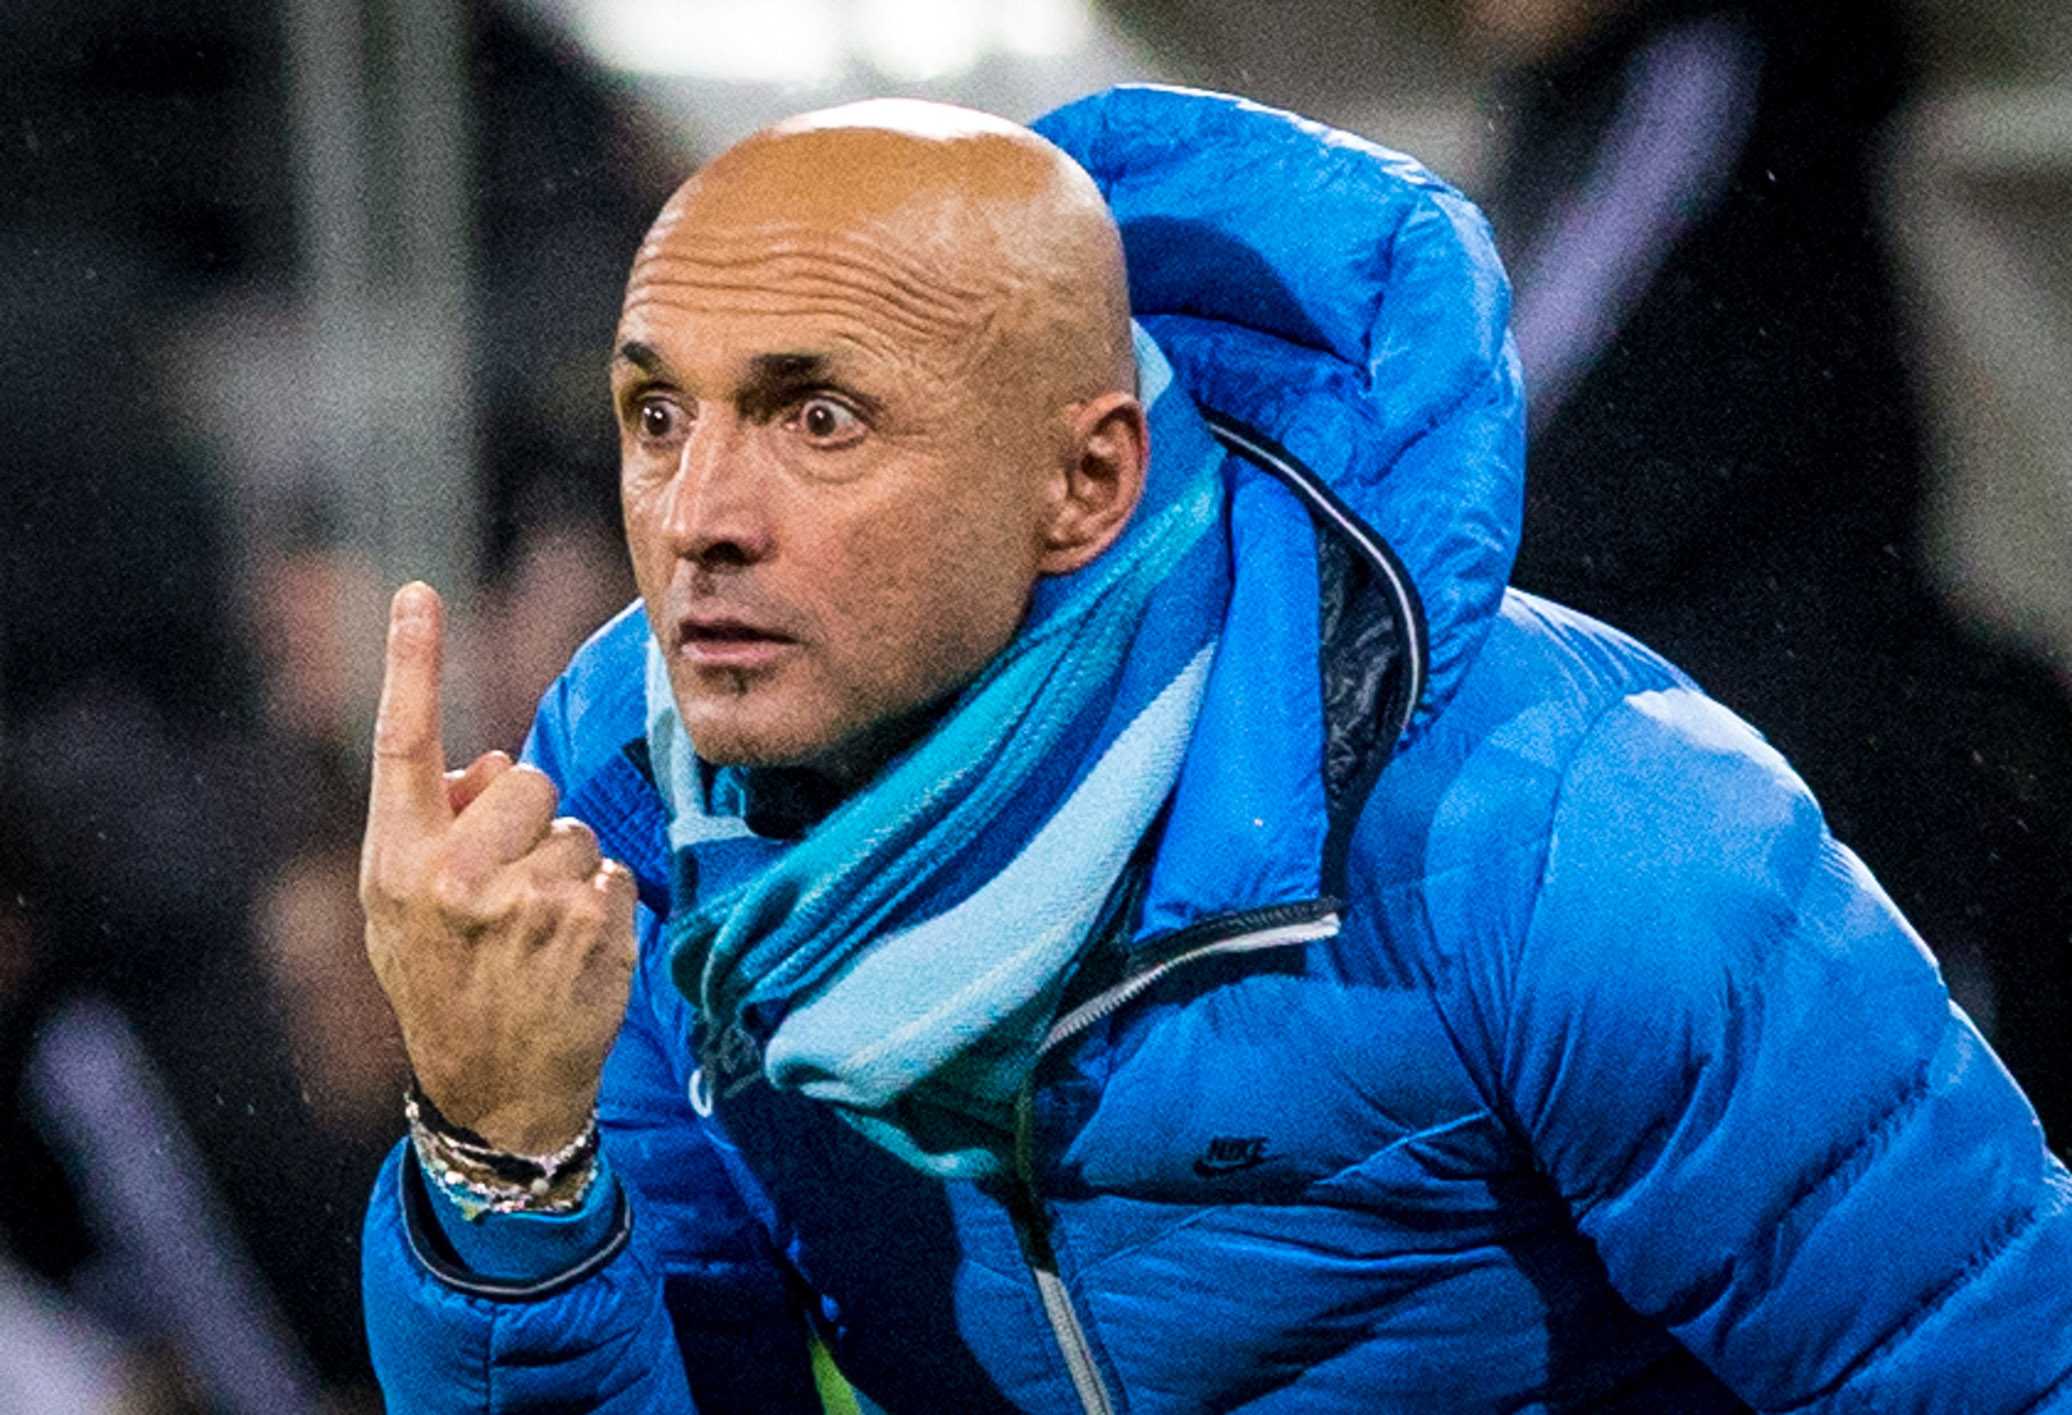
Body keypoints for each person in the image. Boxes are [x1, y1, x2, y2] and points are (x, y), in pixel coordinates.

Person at [357, 87, 2072, 1412]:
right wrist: (501, 1155)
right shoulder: (624, 836)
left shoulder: (1562, 825)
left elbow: (1996, 1371)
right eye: (659, 414)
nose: (698, 518)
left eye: (820, 416)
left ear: (1087, 481)